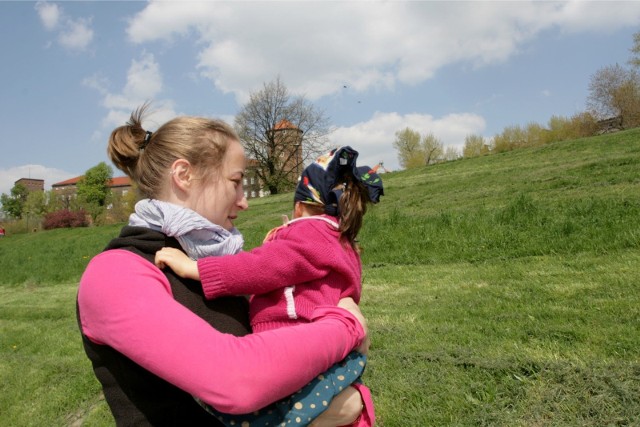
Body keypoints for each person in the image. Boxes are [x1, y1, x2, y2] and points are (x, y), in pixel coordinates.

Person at [76, 104, 369, 427]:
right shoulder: (115, 274)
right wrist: (347, 327)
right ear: (184, 175)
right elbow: (238, 382)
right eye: (235, 181)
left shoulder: (215, 262)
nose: (244, 201)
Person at [156, 146, 383, 426]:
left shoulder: (309, 235)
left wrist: (195, 268)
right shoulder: (337, 240)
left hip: (295, 343)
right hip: (330, 351)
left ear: (299, 206)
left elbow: (258, 269)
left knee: (260, 412)